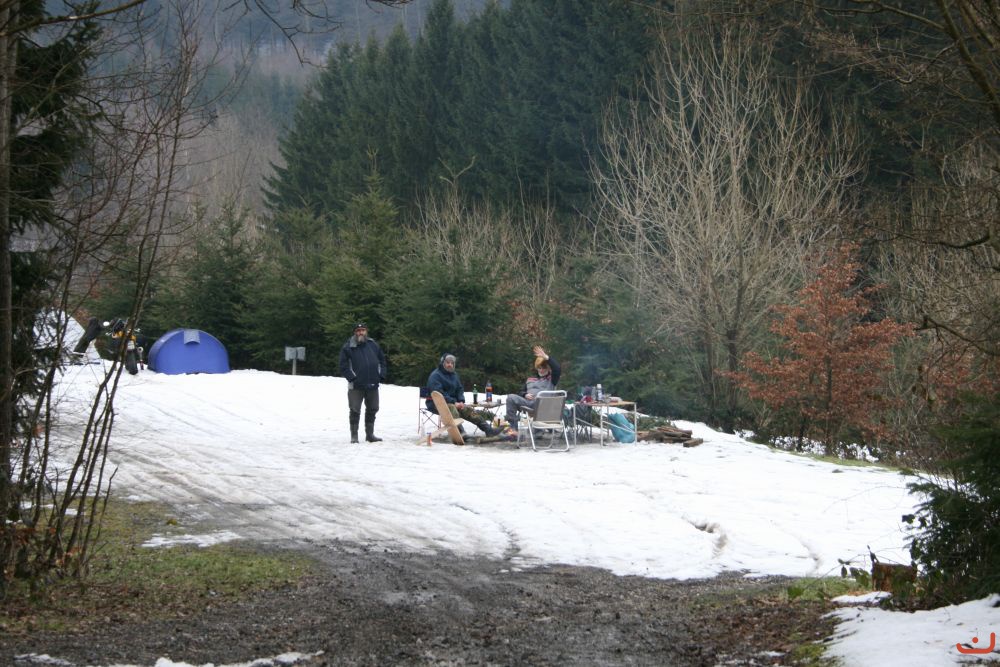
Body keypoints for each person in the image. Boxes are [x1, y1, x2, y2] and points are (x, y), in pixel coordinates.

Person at [426, 353, 503, 437]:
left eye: (452, 363)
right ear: (442, 363)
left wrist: (461, 401)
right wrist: (454, 402)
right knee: (452, 408)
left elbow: (460, 389)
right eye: (447, 362)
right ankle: (461, 433)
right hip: (436, 403)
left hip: (452, 402)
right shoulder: (435, 376)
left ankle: (488, 430)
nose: (450, 365)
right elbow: (439, 394)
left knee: (467, 409)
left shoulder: (454, 375)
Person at [339, 322, 387, 443]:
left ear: (366, 331)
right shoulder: (348, 347)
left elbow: (382, 360)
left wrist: (381, 375)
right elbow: (343, 366)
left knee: (373, 409)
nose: (361, 332)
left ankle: (370, 435)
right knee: (355, 410)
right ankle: (354, 436)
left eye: (363, 330)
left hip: (373, 384)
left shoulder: (373, 344)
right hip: (356, 386)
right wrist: (352, 378)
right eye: (358, 330)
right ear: (355, 332)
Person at [504, 345, 561, 432]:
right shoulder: (530, 379)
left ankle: (538, 430)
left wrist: (546, 357)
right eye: (539, 368)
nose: (541, 370)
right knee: (511, 398)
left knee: (536, 432)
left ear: (548, 368)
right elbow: (520, 392)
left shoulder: (552, 379)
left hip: (543, 406)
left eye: (544, 368)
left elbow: (557, 369)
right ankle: (513, 429)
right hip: (528, 404)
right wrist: (525, 394)